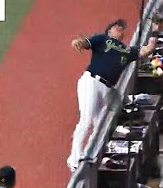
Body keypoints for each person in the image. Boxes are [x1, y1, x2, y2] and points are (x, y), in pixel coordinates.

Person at [67, 19, 156, 170]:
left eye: (122, 28)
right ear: (109, 31)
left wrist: (154, 32)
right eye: (117, 27)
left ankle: (88, 155)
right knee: (86, 120)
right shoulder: (103, 39)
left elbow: (147, 50)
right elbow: (86, 43)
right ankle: (74, 159)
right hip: (91, 81)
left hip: (107, 89)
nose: (120, 28)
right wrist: (79, 42)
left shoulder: (127, 51)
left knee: (99, 126)